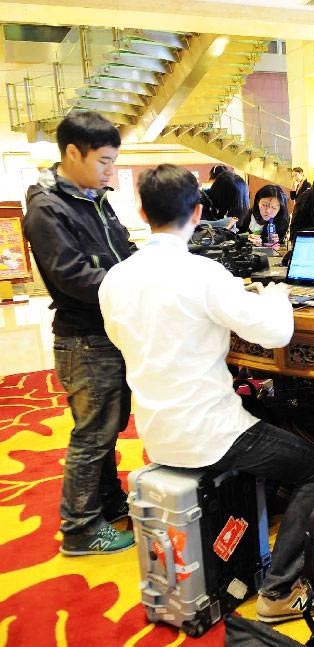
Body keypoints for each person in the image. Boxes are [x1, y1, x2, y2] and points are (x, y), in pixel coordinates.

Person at [98, 164, 314, 623]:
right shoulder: (203, 274)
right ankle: (280, 591)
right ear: (196, 211)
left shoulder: (116, 279)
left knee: (260, 407)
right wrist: (276, 297)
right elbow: (275, 333)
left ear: (144, 211)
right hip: (212, 436)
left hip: (155, 432)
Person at [23, 110, 136, 556]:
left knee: (108, 428)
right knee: (92, 435)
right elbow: (72, 277)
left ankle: (107, 502)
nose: (110, 171)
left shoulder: (94, 197)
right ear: (73, 152)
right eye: (104, 161)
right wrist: (132, 286)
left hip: (109, 330)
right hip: (84, 337)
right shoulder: (48, 208)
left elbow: (123, 250)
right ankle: (80, 527)